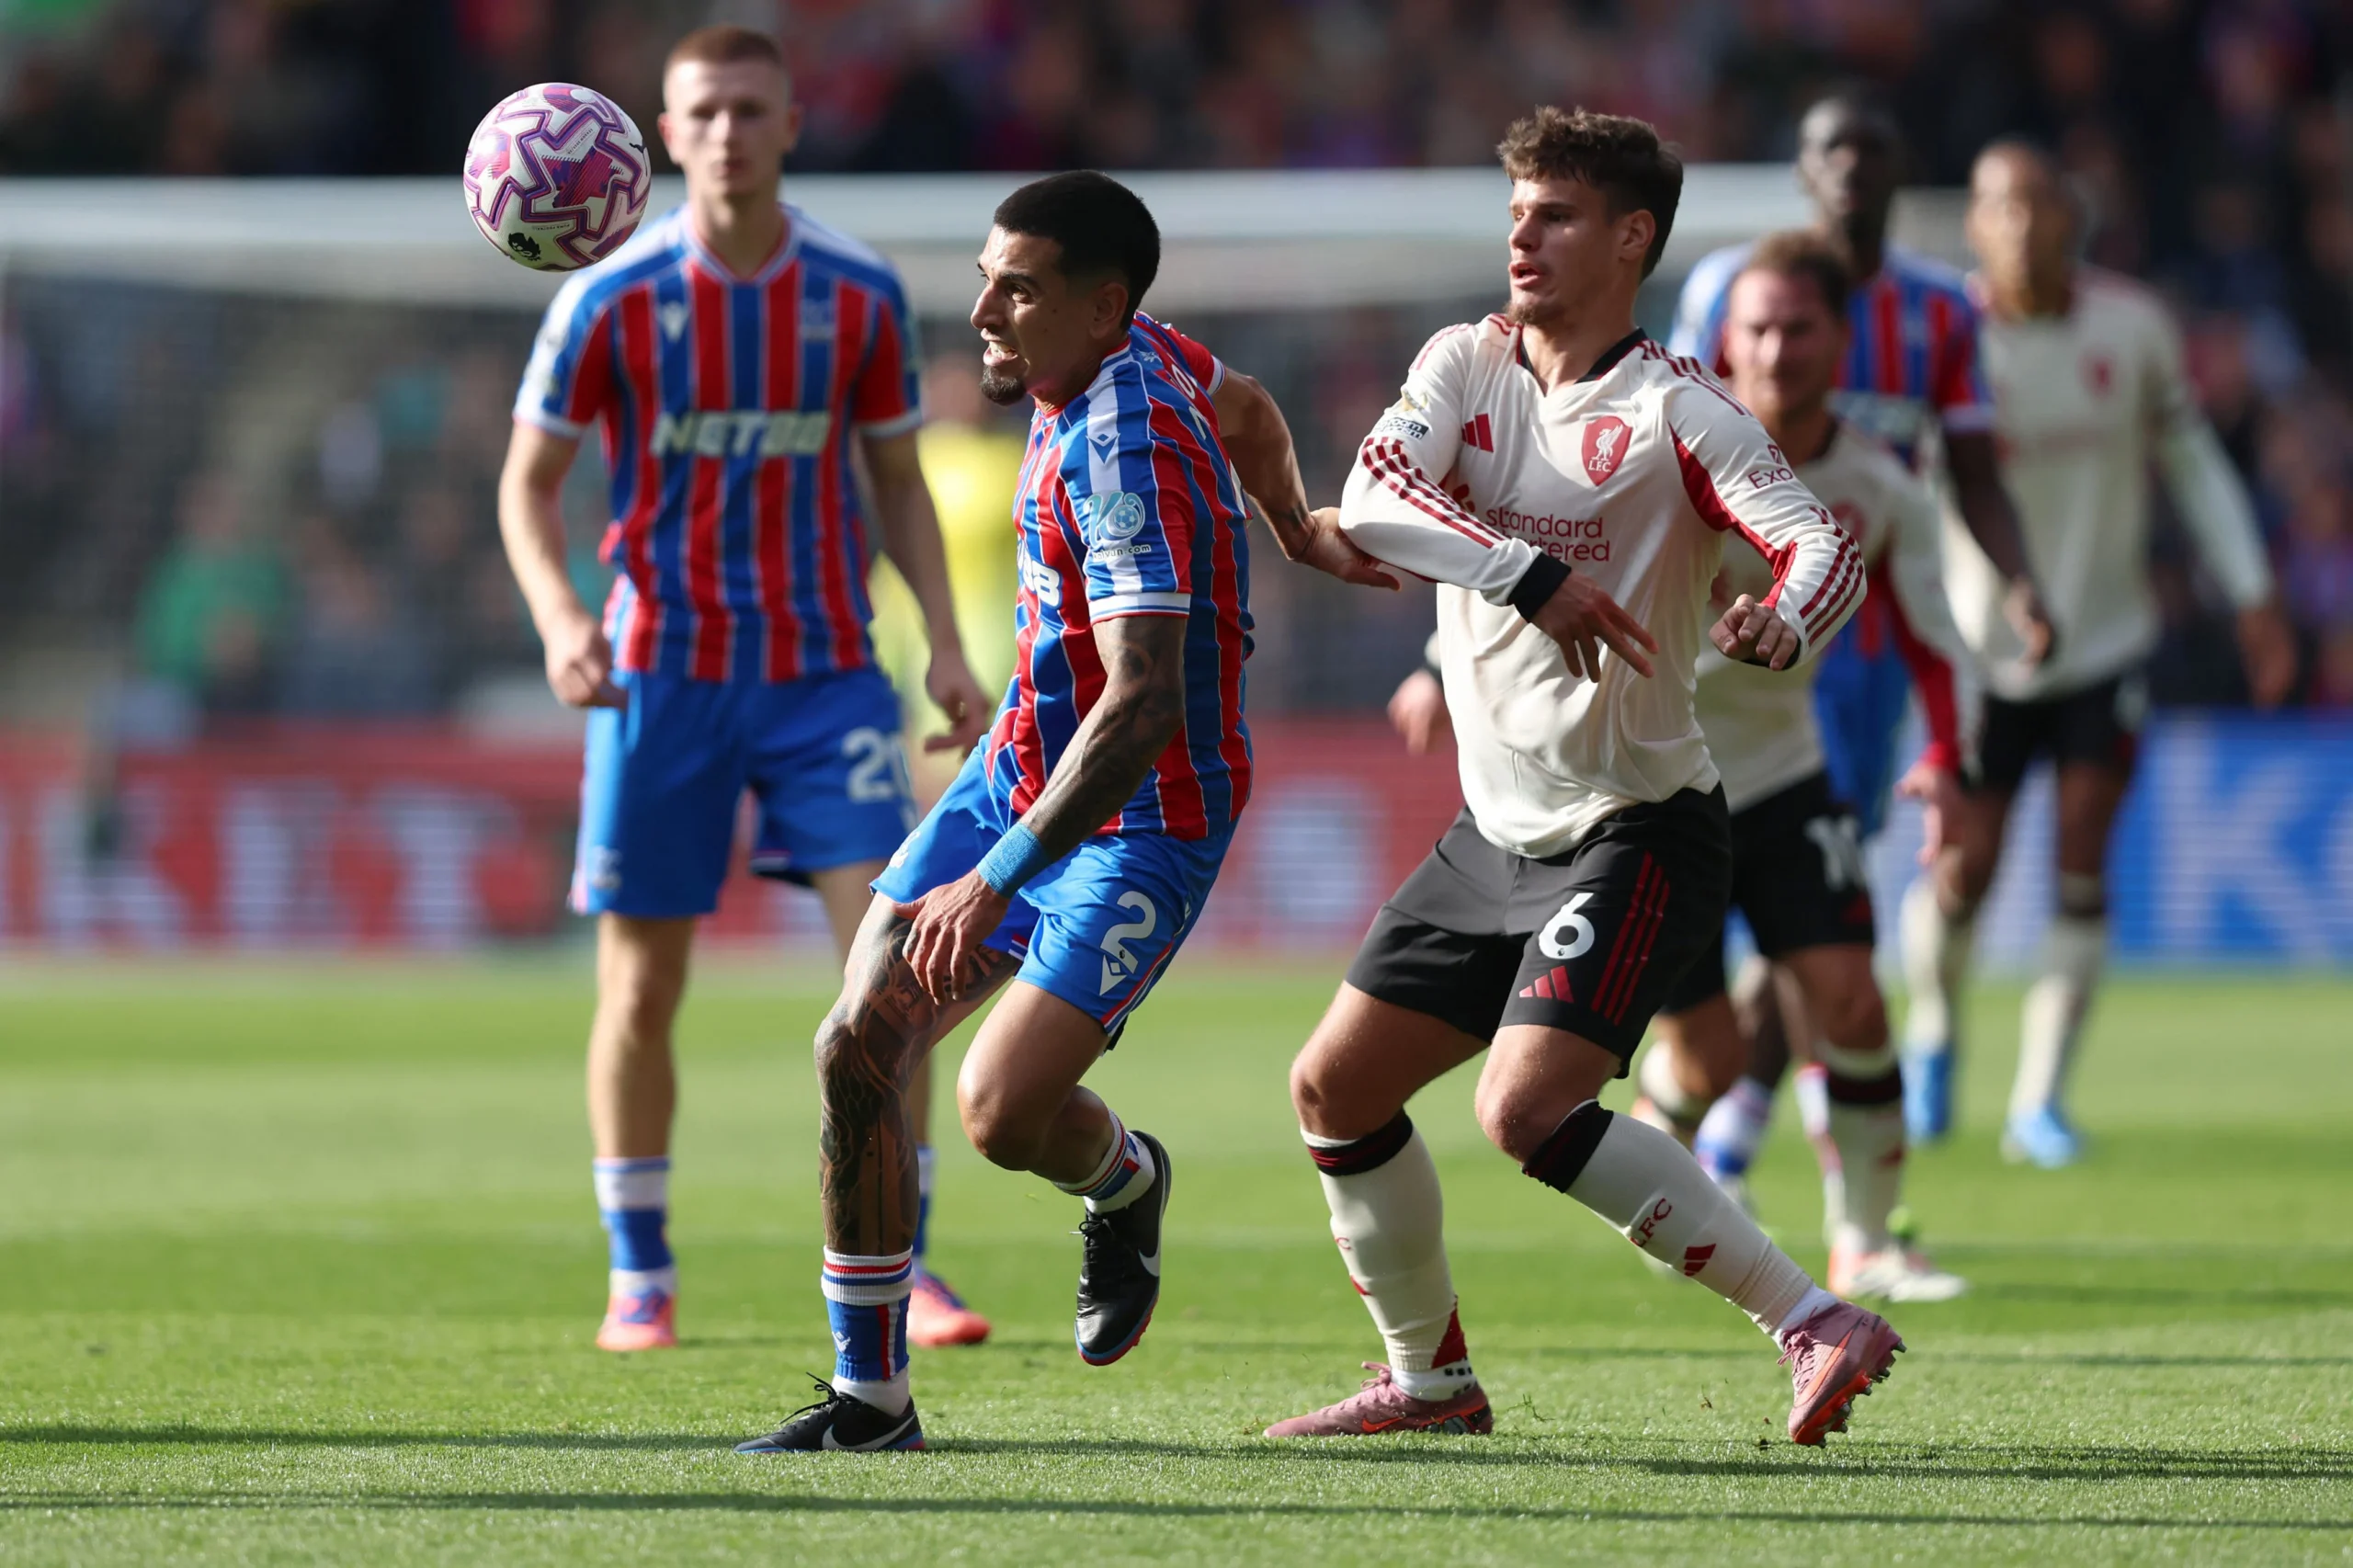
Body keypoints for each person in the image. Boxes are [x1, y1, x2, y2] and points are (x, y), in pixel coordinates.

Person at [733, 170, 1396, 1454]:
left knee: (996, 1112)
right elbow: (1251, 404)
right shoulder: (1126, 349)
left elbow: (1146, 701)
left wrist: (1000, 875)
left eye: (1014, 289)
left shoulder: (1124, 444)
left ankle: (1123, 1177)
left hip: (1145, 808)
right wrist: (1299, 528)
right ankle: (871, 1400)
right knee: (858, 1041)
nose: (982, 308)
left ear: (1098, 311)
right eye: (986, 276)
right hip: (1017, 766)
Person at [1267, 107, 1896, 1449]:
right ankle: (1431, 1379)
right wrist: (1531, 574)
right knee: (1334, 1088)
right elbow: (1372, 497)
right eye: (1516, 213)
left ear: (1631, 238)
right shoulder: (1463, 363)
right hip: (1491, 832)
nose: (1521, 236)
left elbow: (1819, 542)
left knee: (1524, 1105)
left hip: (1638, 828)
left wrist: (1786, 617)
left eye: (1553, 215)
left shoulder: (1679, 409)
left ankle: (1815, 1315)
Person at [496, 26, 993, 1356]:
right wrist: (558, 620)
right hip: (661, 673)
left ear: (789, 125)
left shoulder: (855, 291)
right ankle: (639, 1271)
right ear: (664, 130)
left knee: (889, 972)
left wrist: (942, 640)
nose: (727, 132)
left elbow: (896, 477)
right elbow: (529, 483)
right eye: (704, 110)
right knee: (642, 988)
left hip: (826, 669)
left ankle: (912, 1260)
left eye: (750, 109)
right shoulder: (606, 297)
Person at [1666, 88, 2052, 1156]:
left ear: (1897, 167)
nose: (1850, 166)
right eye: (1830, 148)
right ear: (1802, 167)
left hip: (1862, 652)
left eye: (1871, 147)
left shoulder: (1939, 314)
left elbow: (1973, 472)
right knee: (1757, 922)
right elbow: (1656, 444)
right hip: (1717, 649)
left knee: (1816, 922)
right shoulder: (1723, 291)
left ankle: (1731, 1132)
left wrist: (2015, 584)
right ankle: (1712, 1111)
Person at [1900, 141, 2295, 1165]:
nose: (2022, 224)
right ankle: (1935, 1034)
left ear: (2073, 217)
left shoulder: (2133, 328)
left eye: (2038, 204)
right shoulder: (1944, 337)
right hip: (1983, 651)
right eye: (2000, 206)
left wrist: (2249, 592)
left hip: (2107, 642)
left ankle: (2038, 1102)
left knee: (2082, 855)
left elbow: (2192, 462)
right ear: (1972, 224)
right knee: (1964, 868)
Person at [1631, 232, 1973, 1301]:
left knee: (1852, 1002)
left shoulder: (1875, 485)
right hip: (1659, 780)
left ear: (1841, 341)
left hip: (1786, 773)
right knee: (1712, 1059)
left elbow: (1931, 636)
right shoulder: (1664, 449)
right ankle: (1663, 1123)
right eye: (1758, 327)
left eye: (1799, 327)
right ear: (1725, 338)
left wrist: (1948, 760)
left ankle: (1866, 1240)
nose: (1776, 348)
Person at [861, 351, 1028, 1347]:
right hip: (927, 687)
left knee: (949, 904)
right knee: (927, 916)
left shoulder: (1000, 467)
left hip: (991, 683)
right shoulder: (918, 466)